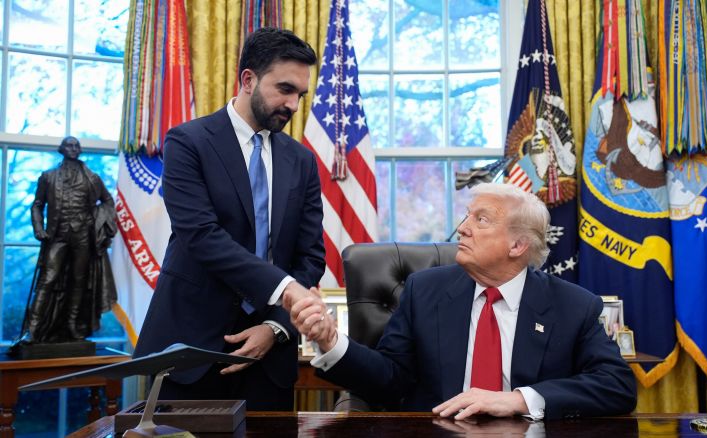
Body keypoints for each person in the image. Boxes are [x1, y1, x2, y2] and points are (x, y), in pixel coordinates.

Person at [293, 183, 637, 419]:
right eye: (467, 215)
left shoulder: (573, 305)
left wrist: (519, 400)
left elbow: (617, 385)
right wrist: (331, 341)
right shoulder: (424, 291)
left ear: (517, 246)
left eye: (481, 219)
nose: (463, 228)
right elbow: (390, 378)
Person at [134, 28, 332, 410]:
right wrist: (287, 290)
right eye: (285, 89)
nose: (293, 105)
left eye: (300, 95)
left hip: (269, 360)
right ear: (248, 79)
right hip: (189, 349)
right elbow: (202, 236)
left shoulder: (302, 161)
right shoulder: (187, 142)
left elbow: (310, 257)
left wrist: (276, 326)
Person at [23, 136, 117, 344]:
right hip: (57, 235)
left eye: (76, 146)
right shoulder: (48, 177)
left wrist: (98, 220)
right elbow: (37, 205)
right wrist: (38, 228)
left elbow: (108, 201)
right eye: (69, 145)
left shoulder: (92, 178)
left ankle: (72, 325)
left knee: (79, 281)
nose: (73, 149)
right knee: (47, 279)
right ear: (62, 149)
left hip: (83, 236)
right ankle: (33, 329)